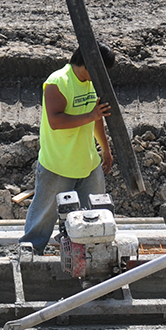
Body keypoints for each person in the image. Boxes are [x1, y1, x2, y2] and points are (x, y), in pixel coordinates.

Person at [19, 42, 115, 254]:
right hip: (58, 164)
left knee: (96, 214)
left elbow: (97, 118)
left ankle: (93, 255)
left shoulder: (93, 83)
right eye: (102, 71)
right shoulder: (58, 82)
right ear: (90, 64)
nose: (104, 77)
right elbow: (56, 121)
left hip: (88, 163)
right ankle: (29, 255)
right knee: (43, 217)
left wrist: (105, 149)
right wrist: (91, 115)